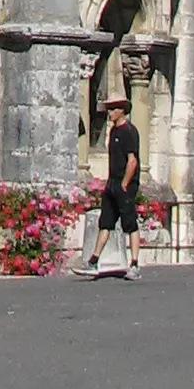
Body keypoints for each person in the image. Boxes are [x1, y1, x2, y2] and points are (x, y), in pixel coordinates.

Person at [77, 87, 142, 277]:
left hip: (124, 184)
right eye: (109, 108)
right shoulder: (114, 130)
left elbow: (133, 160)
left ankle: (135, 264)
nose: (110, 112)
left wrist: (124, 184)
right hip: (113, 183)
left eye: (113, 108)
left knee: (130, 224)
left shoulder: (129, 131)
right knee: (105, 222)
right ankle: (93, 261)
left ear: (122, 109)